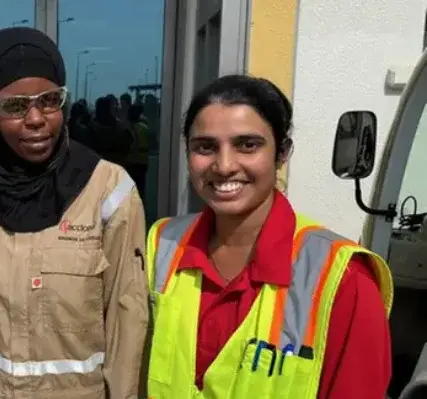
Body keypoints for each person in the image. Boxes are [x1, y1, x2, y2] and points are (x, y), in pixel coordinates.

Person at [0, 27, 149, 398]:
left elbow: (128, 319)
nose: (35, 118)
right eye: (14, 106)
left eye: (49, 100)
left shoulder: (108, 190)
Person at [144, 75, 393, 398]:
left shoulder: (343, 278)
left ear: (283, 153)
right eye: (205, 147)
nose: (224, 165)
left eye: (247, 145)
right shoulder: (162, 245)